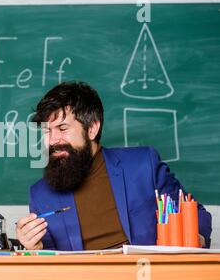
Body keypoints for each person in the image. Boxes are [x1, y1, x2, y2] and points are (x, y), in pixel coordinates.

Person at [16, 81, 212, 251]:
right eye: (46, 131)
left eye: (62, 128)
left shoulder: (143, 164)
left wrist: (195, 239)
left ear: (92, 128)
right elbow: (50, 258)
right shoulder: (40, 193)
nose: (52, 140)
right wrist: (35, 248)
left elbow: (196, 216)